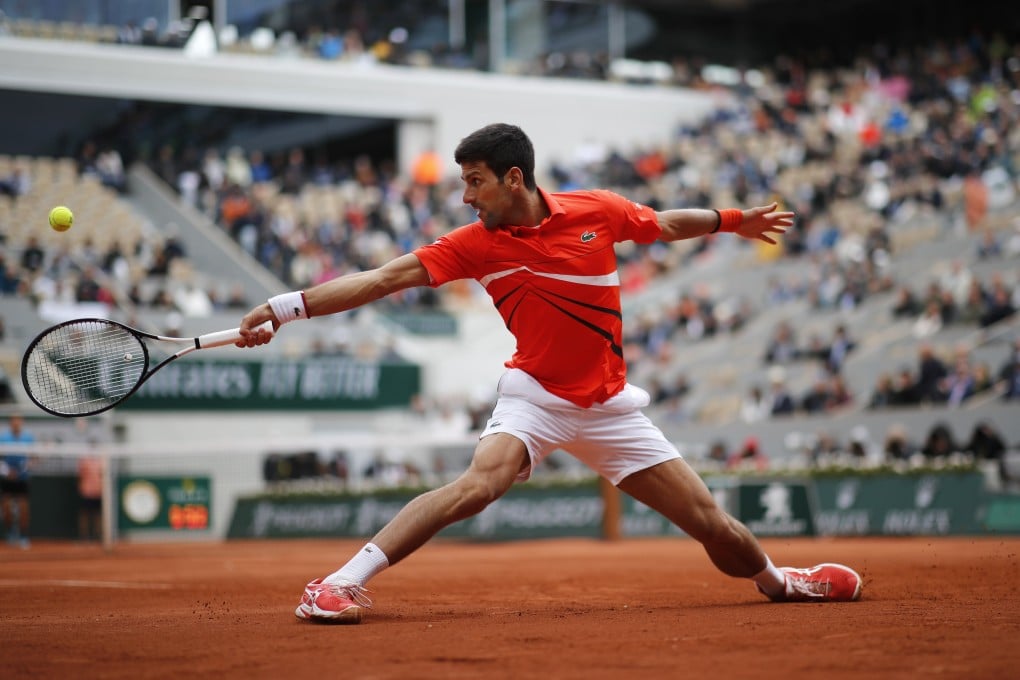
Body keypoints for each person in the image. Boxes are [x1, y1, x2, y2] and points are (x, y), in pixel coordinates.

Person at [236, 123, 862, 623]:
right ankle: (340, 583)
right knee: (478, 486)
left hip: (609, 405)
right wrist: (285, 308)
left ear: (514, 178)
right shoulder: (472, 244)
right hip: (534, 396)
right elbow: (379, 280)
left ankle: (780, 582)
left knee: (712, 525)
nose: (466, 196)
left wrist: (733, 221)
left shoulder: (598, 211)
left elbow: (668, 223)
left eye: (475, 181)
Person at [0, 413, 33, 548]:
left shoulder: (28, 438)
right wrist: (7, 471)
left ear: (21, 422)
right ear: (10, 422)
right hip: (7, 479)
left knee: (24, 508)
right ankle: (11, 533)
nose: (16, 423)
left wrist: (21, 470)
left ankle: (23, 535)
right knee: (6, 508)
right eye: (14, 420)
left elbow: (33, 457)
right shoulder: (3, 438)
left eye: (18, 420)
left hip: (22, 479)